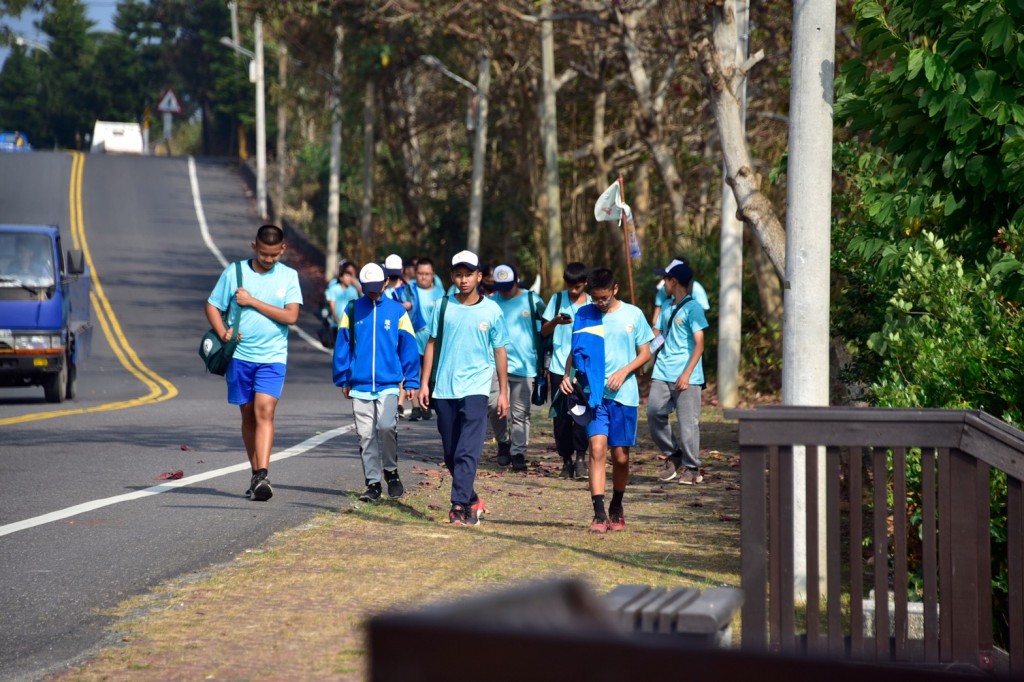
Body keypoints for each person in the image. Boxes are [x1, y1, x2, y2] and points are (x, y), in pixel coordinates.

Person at [205, 224, 303, 502]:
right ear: (253, 247)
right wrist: (222, 331)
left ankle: (262, 473)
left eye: (274, 255)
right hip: (240, 356)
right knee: (248, 415)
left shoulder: (289, 276)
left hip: (272, 357)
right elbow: (212, 305)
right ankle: (255, 474)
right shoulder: (235, 273)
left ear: (282, 249)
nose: (269, 259)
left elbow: (291, 317)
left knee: (265, 410)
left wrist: (252, 301)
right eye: (263, 254)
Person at [418, 250, 509, 526]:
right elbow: (431, 343)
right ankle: (471, 498)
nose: (463, 279)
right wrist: (424, 383)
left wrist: (503, 391)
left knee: (466, 451)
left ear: (479, 276)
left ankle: (457, 506)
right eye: (458, 274)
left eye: (468, 274)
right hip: (444, 387)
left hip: (477, 387)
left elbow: (500, 351)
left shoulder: (492, 310)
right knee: (450, 453)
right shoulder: (442, 306)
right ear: (451, 277)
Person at [560, 267, 653, 533]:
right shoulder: (584, 314)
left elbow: (645, 353)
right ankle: (599, 513)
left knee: (621, 456)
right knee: (597, 448)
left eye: (604, 297)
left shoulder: (633, 315)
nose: (599, 303)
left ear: (615, 289)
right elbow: (575, 352)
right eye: (595, 298)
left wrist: (624, 371)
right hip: (593, 395)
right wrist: (568, 375)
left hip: (624, 396)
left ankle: (617, 506)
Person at [333, 262, 421, 501]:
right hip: (359, 385)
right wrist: (343, 377)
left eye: (376, 287)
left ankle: (391, 471)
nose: (372, 292)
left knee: (386, 427)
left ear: (385, 283)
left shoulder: (397, 311)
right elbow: (342, 345)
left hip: (389, 384)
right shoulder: (351, 310)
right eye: (367, 287)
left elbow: (409, 348)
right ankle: (373, 484)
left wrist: (412, 381)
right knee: (365, 435)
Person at [649, 260, 709, 485]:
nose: (662, 283)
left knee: (688, 424)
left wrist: (686, 374)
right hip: (662, 371)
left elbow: (700, 344)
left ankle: (692, 468)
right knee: (654, 413)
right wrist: (645, 352)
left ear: (674, 281)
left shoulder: (693, 308)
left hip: (687, 376)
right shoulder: (666, 306)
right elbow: (660, 336)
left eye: (665, 279)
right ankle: (673, 454)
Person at [487, 264, 545, 472]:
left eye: (508, 286)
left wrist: (544, 362)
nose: (505, 290)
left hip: (524, 365)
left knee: (520, 413)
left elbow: (545, 331)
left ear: (517, 280)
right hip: (494, 365)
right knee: (494, 407)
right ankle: (503, 443)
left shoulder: (532, 300)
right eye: (500, 286)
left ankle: (518, 452)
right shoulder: (491, 302)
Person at [540, 261, 591, 479]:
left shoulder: (591, 303)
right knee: (560, 417)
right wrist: (555, 321)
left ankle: (581, 459)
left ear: (585, 284)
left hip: (582, 368)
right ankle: (566, 460)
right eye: (569, 285)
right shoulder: (557, 299)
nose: (572, 290)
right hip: (559, 366)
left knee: (580, 414)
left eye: (577, 286)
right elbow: (543, 332)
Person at [407, 257, 445, 421]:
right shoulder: (408, 290)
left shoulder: (440, 293)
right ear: (415, 274)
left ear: (433, 275)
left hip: (432, 340)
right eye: (420, 273)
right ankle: (416, 407)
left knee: (429, 374)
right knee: (414, 371)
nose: (423, 277)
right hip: (413, 338)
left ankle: (426, 404)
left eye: (427, 274)